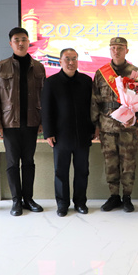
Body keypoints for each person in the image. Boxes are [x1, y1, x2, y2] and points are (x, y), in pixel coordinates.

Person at [0, 27, 46, 216]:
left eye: (23, 39)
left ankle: (28, 199)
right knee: (12, 163)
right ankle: (16, 200)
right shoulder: (1, 67)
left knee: (29, 162)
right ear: (11, 43)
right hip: (10, 123)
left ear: (28, 42)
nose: (20, 43)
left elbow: (43, 97)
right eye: (16, 40)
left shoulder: (38, 67)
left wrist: (43, 122)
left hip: (32, 122)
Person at [91, 37, 138, 213]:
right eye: (113, 48)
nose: (116, 51)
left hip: (128, 127)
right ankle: (114, 196)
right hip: (107, 126)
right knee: (110, 163)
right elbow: (95, 100)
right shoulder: (101, 73)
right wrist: (95, 124)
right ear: (110, 50)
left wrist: (135, 119)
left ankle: (127, 197)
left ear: (126, 50)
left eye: (120, 48)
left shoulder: (136, 73)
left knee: (128, 163)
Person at [41, 48, 95, 217]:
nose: (71, 62)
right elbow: (46, 109)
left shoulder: (86, 81)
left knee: (82, 171)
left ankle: (80, 202)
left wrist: (94, 128)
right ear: (60, 61)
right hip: (60, 135)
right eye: (67, 59)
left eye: (74, 59)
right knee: (61, 172)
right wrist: (48, 132)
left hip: (82, 134)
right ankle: (62, 204)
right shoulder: (51, 82)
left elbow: (92, 108)